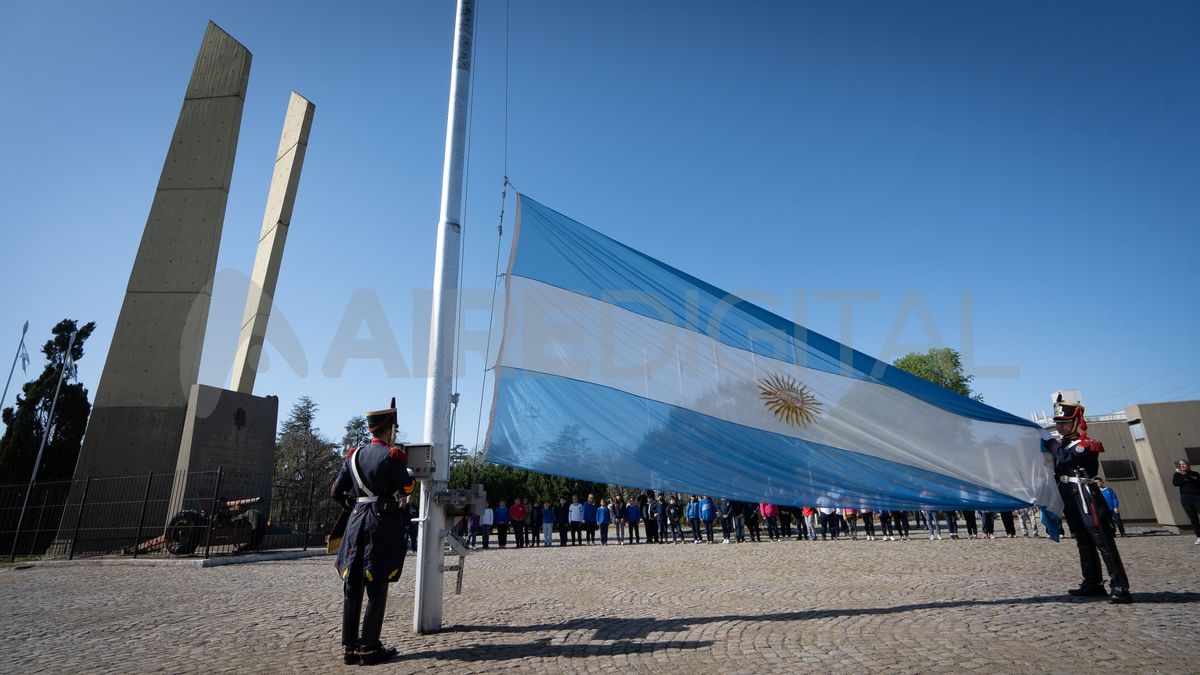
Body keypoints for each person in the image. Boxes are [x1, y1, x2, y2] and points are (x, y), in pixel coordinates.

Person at [330, 403, 414, 665]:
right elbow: (407, 486)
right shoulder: (393, 455)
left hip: (356, 522)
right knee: (377, 585)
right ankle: (369, 648)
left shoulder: (353, 456)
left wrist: (353, 504)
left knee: (352, 585)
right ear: (389, 430)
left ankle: (349, 648)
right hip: (380, 523)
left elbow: (336, 492)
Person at [1042, 392, 1131, 603]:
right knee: (1082, 541)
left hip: (1086, 496)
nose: (1060, 427)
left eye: (1064, 422)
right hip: (1071, 497)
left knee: (1102, 540)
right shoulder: (1063, 444)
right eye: (1058, 423)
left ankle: (1120, 585)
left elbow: (1065, 459)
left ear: (1076, 422)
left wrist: (1051, 445)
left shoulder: (1086, 445)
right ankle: (1092, 582)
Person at [1172, 459, 1200, 544]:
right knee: (1193, 518)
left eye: (1184, 464)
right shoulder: (1177, 474)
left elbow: (1197, 483)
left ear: (1188, 465)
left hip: (1198, 498)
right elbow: (1176, 483)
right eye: (1180, 465)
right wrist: (1184, 476)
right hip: (1186, 499)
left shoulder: (1195, 474)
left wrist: (1186, 475)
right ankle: (1199, 536)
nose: (1182, 466)